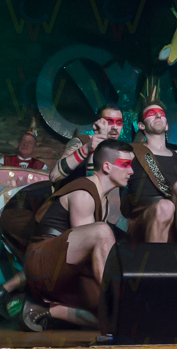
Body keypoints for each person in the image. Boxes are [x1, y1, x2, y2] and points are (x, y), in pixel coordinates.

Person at [20, 139, 135, 331]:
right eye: (126, 165)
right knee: (102, 231)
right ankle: (119, 300)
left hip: (64, 266)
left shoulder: (104, 198)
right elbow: (87, 254)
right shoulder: (84, 193)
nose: (131, 171)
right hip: (41, 261)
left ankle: (47, 309)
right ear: (107, 166)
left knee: (109, 316)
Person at [122, 101, 177, 244]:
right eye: (151, 114)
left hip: (176, 216)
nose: (157, 115)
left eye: (161, 114)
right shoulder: (131, 152)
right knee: (165, 207)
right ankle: (154, 259)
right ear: (141, 125)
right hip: (142, 217)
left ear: (167, 125)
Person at [49, 105, 125, 187]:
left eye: (119, 123)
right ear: (97, 123)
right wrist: (86, 148)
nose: (114, 127)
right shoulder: (81, 142)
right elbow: (54, 176)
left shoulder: (121, 152)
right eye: (109, 122)